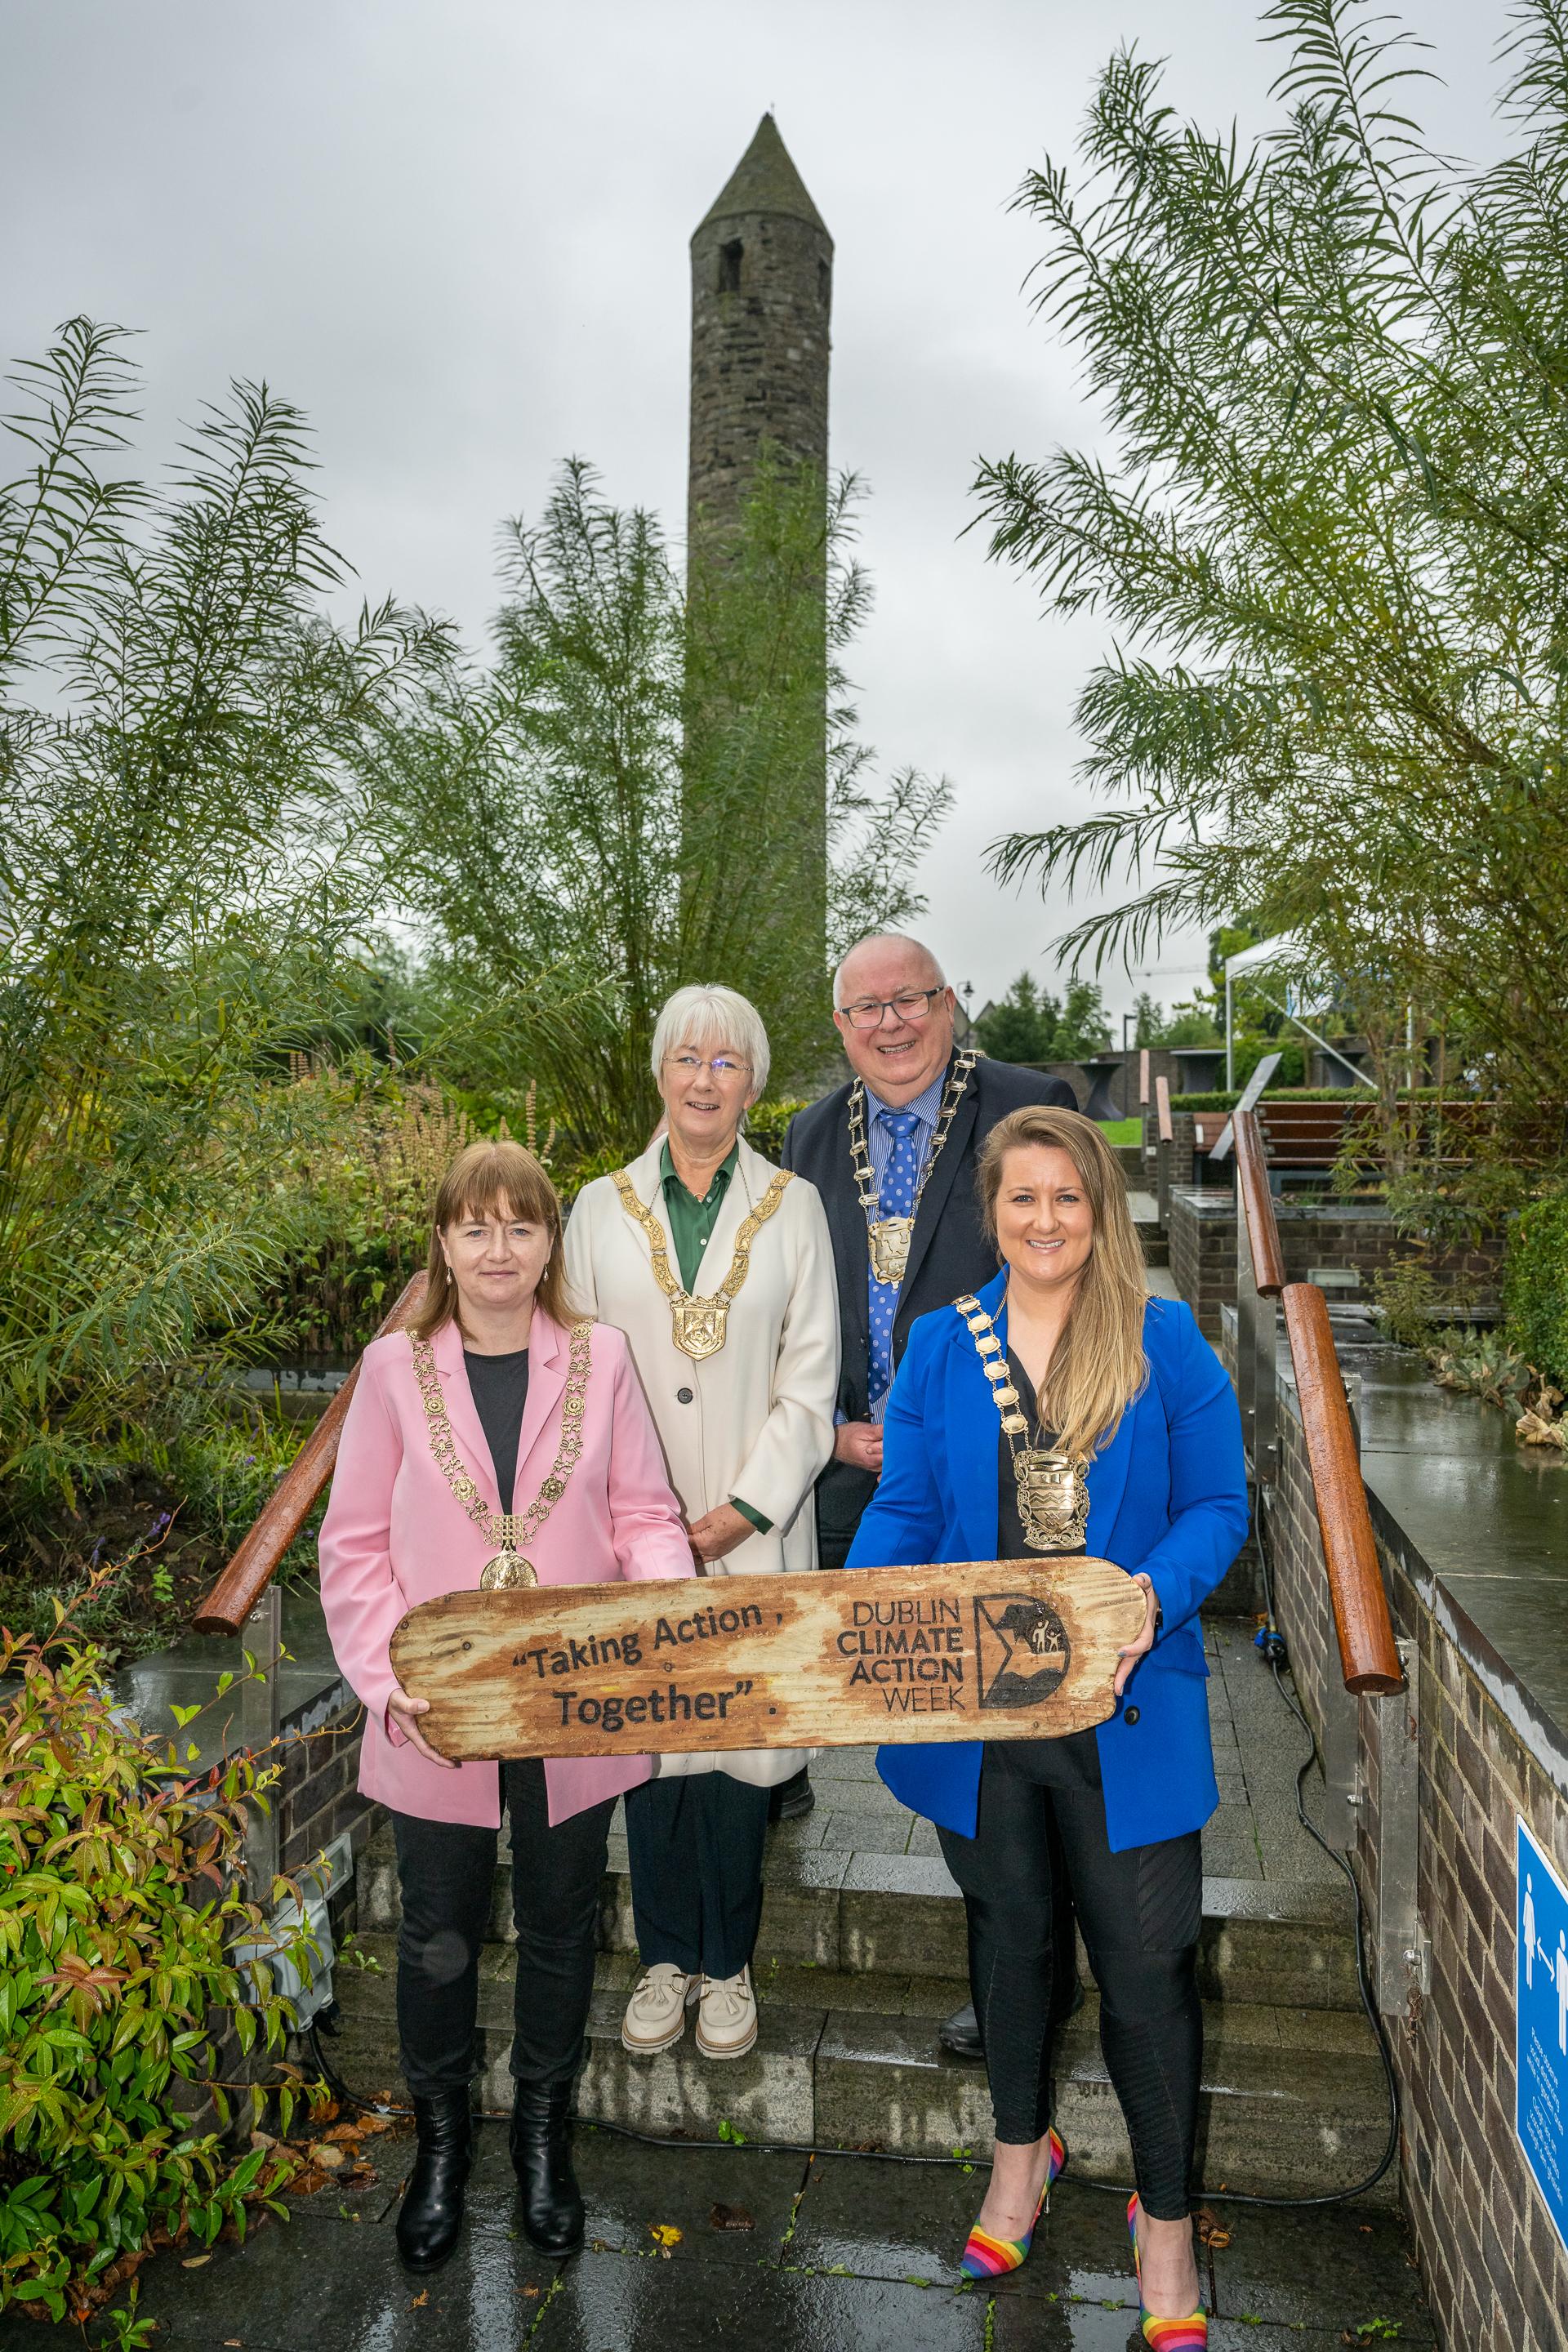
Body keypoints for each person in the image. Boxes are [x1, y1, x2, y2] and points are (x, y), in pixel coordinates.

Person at [848, 1104, 1248, 2344]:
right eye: (1023, 1197)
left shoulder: (1163, 1341)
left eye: (1068, 1197)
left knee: (1144, 1977)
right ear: (992, 1209)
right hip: (983, 1724)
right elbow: (906, 1519)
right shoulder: (934, 1348)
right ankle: (1021, 2160)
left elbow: (1219, 1507)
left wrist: (1150, 1594)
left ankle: (1166, 2224)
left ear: (1102, 1208)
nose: (1045, 1220)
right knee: (1010, 1951)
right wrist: (840, 1632)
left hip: (1125, 1707)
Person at [318, 1140, 694, 2274]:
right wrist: (392, 1685)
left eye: (521, 1227)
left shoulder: (602, 1356)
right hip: (441, 1713)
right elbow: (355, 1548)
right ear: (442, 1243)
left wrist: (665, 1615)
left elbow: (641, 1512)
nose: (498, 1249)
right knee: (435, 1939)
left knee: (561, 1931)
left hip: (573, 1708)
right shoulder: (392, 1369)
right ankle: (440, 2152)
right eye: (475, 1227)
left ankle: (541, 2140)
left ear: (549, 1245)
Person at [780, 929, 1077, 2063]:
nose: (892, 1023)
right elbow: (801, 1303)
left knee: (1002, 1737)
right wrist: (831, 1418)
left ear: (951, 1005)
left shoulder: (1023, 1101)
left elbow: (1070, 1268)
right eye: (867, 1009)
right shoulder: (813, 1136)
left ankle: (1024, 1989)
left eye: (912, 1000)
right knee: (922, 1714)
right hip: (862, 1467)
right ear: (842, 1027)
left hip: (994, 1479)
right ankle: (774, 1784)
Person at [564, 982, 839, 2066]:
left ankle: (729, 1968)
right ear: (660, 1073)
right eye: (689, 1059)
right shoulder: (598, 1208)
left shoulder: (796, 1206)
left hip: (755, 1532)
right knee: (655, 1749)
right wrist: (639, 1519)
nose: (705, 1081)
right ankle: (662, 1958)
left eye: (728, 1064)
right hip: (633, 1533)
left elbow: (813, 1378)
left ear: (754, 1084)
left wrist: (742, 1509)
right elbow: (576, 1376)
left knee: (739, 1758)